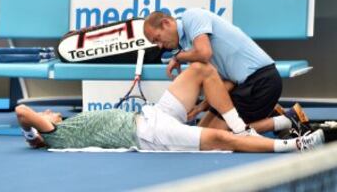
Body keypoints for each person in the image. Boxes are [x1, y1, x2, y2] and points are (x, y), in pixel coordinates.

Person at [16, 62, 324, 152]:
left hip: (152, 114)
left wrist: (35, 132)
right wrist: (35, 128)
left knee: (200, 70)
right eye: (45, 116)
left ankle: (271, 125)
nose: (48, 113)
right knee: (219, 139)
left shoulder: (60, 129)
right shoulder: (57, 132)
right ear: (44, 128)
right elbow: (21, 111)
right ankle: (295, 144)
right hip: (150, 133)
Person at [143, 8, 283, 135]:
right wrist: (199, 108)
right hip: (240, 85)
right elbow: (221, 86)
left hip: (262, 81)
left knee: (216, 137)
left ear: (166, 23)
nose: (160, 46)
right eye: (155, 43)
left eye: (157, 38)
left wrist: (177, 57)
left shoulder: (192, 16)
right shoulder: (189, 46)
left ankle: (286, 120)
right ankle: (274, 113)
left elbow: (205, 53)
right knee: (201, 132)